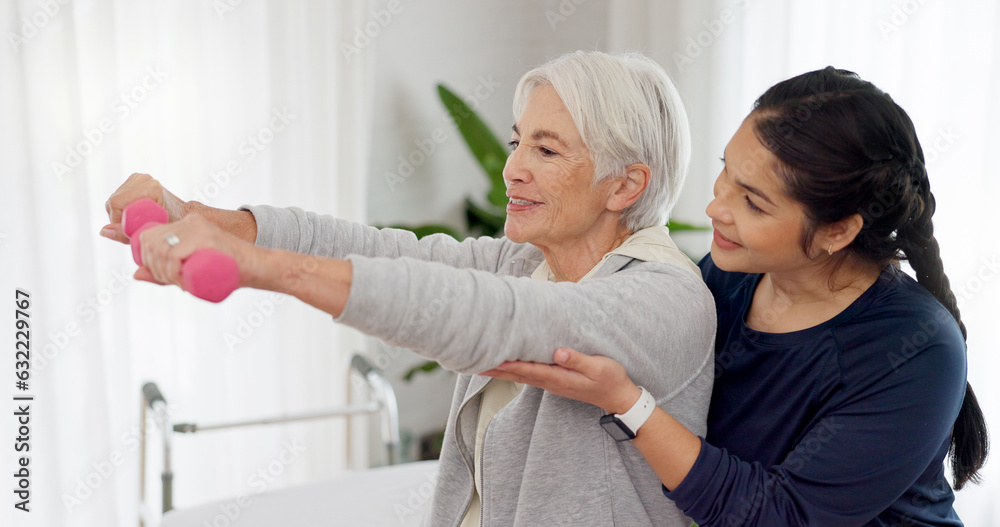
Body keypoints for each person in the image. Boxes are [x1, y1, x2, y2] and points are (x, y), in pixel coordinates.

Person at [101, 51, 716, 526]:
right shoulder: (527, 261)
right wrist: (206, 218)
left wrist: (254, 267)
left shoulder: (664, 299)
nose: (512, 168)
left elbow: (496, 319)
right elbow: (385, 251)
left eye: (546, 149)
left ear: (625, 186)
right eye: (517, 140)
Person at [482, 67, 989, 526]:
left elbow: (778, 516)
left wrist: (627, 403)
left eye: (753, 203)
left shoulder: (913, 349)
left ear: (836, 231)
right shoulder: (728, 278)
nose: (714, 208)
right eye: (727, 173)